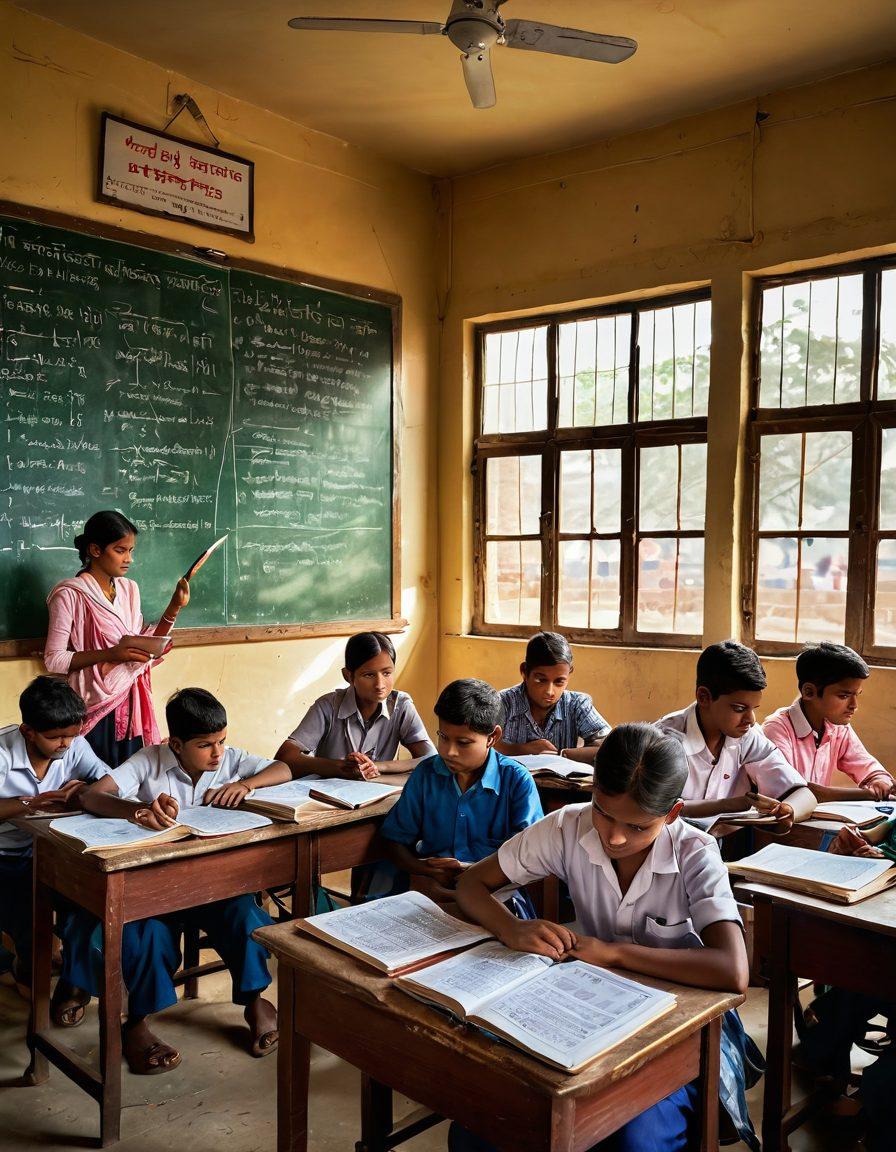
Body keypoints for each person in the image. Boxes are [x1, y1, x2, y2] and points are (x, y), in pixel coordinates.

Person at [453, 722, 762, 1152]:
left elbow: (731, 971)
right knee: (491, 1115)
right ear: (593, 787)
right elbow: (471, 885)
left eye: (637, 827)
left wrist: (615, 954)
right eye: (604, 811)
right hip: (588, 1002)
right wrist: (510, 927)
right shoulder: (566, 827)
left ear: (672, 813)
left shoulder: (695, 853)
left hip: (680, 1021)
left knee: (633, 1137)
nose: (615, 836)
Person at [56, 688, 291, 1075]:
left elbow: (284, 769)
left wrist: (247, 785)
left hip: (212, 886)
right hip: (158, 891)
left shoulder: (229, 761)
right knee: (146, 936)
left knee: (245, 919)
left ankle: (254, 1002)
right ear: (176, 744)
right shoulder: (150, 761)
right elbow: (93, 797)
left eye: (221, 742)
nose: (217, 754)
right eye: (205, 746)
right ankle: (138, 1023)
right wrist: (137, 810)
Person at [380, 679, 543, 910]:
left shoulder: (516, 780)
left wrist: (478, 872)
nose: (449, 751)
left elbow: (530, 855)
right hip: (432, 890)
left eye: (464, 742)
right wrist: (425, 869)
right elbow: (394, 840)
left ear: (492, 738)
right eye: (443, 737)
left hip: (497, 897)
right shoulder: (426, 774)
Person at [44, 510, 190, 766]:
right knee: (95, 781)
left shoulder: (129, 589)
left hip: (131, 700)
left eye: (131, 551)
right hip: (93, 702)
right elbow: (54, 660)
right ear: (95, 550)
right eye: (121, 550)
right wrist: (112, 654)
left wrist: (174, 607)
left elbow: (144, 644)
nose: (129, 559)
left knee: (131, 777)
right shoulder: (69, 594)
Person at [0, 677, 108, 994]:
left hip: (47, 852)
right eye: (54, 737)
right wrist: (28, 804)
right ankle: (31, 962)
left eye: (70, 736)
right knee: (30, 923)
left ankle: (71, 978)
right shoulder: (3, 751)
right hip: (3, 857)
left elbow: (109, 782)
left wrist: (86, 791)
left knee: (88, 903)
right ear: (27, 731)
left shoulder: (73, 746)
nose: (64, 744)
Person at [797, 820, 896, 1146]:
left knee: (884, 1087)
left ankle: (871, 1104)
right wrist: (853, 843)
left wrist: (885, 863)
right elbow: (872, 834)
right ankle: (828, 1065)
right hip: (879, 937)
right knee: (853, 981)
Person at [656, 640, 816, 830]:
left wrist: (788, 809)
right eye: (739, 708)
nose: (750, 719)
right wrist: (730, 804)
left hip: (727, 845)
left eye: (753, 708)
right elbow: (656, 810)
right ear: (704, 697)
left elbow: (804, 794)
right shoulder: (665, 741)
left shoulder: (746, 735)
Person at [275, 632, 434, 779]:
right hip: (330, 797)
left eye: (386, 673)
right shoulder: (328, 707)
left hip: (376, 795)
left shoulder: (401, 706)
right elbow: (285, 756)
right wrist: (341, 767)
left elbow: (432, 760)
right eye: (369, 675)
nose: (380, 684)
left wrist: (377, 767)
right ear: (348, 676)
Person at [763, 642, 893, 801]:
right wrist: (869, 794)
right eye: (844, 696)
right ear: (809, 692)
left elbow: (867, 766)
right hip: (782, 821)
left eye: (856, 695)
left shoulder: (837, 727)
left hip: (817, 818)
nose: (854, 706)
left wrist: (879, 781)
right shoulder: (777, 729)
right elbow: (796, 791)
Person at [496, 631, 609, 764]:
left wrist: (562, 754)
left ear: (569, 674)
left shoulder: (577, 704)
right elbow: (479, 745)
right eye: (540, 680)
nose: (550, 691)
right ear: (524, 671)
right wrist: (522, 750)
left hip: (564, 785)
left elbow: (611, 748)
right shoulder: (503, 702)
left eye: (559, 682)